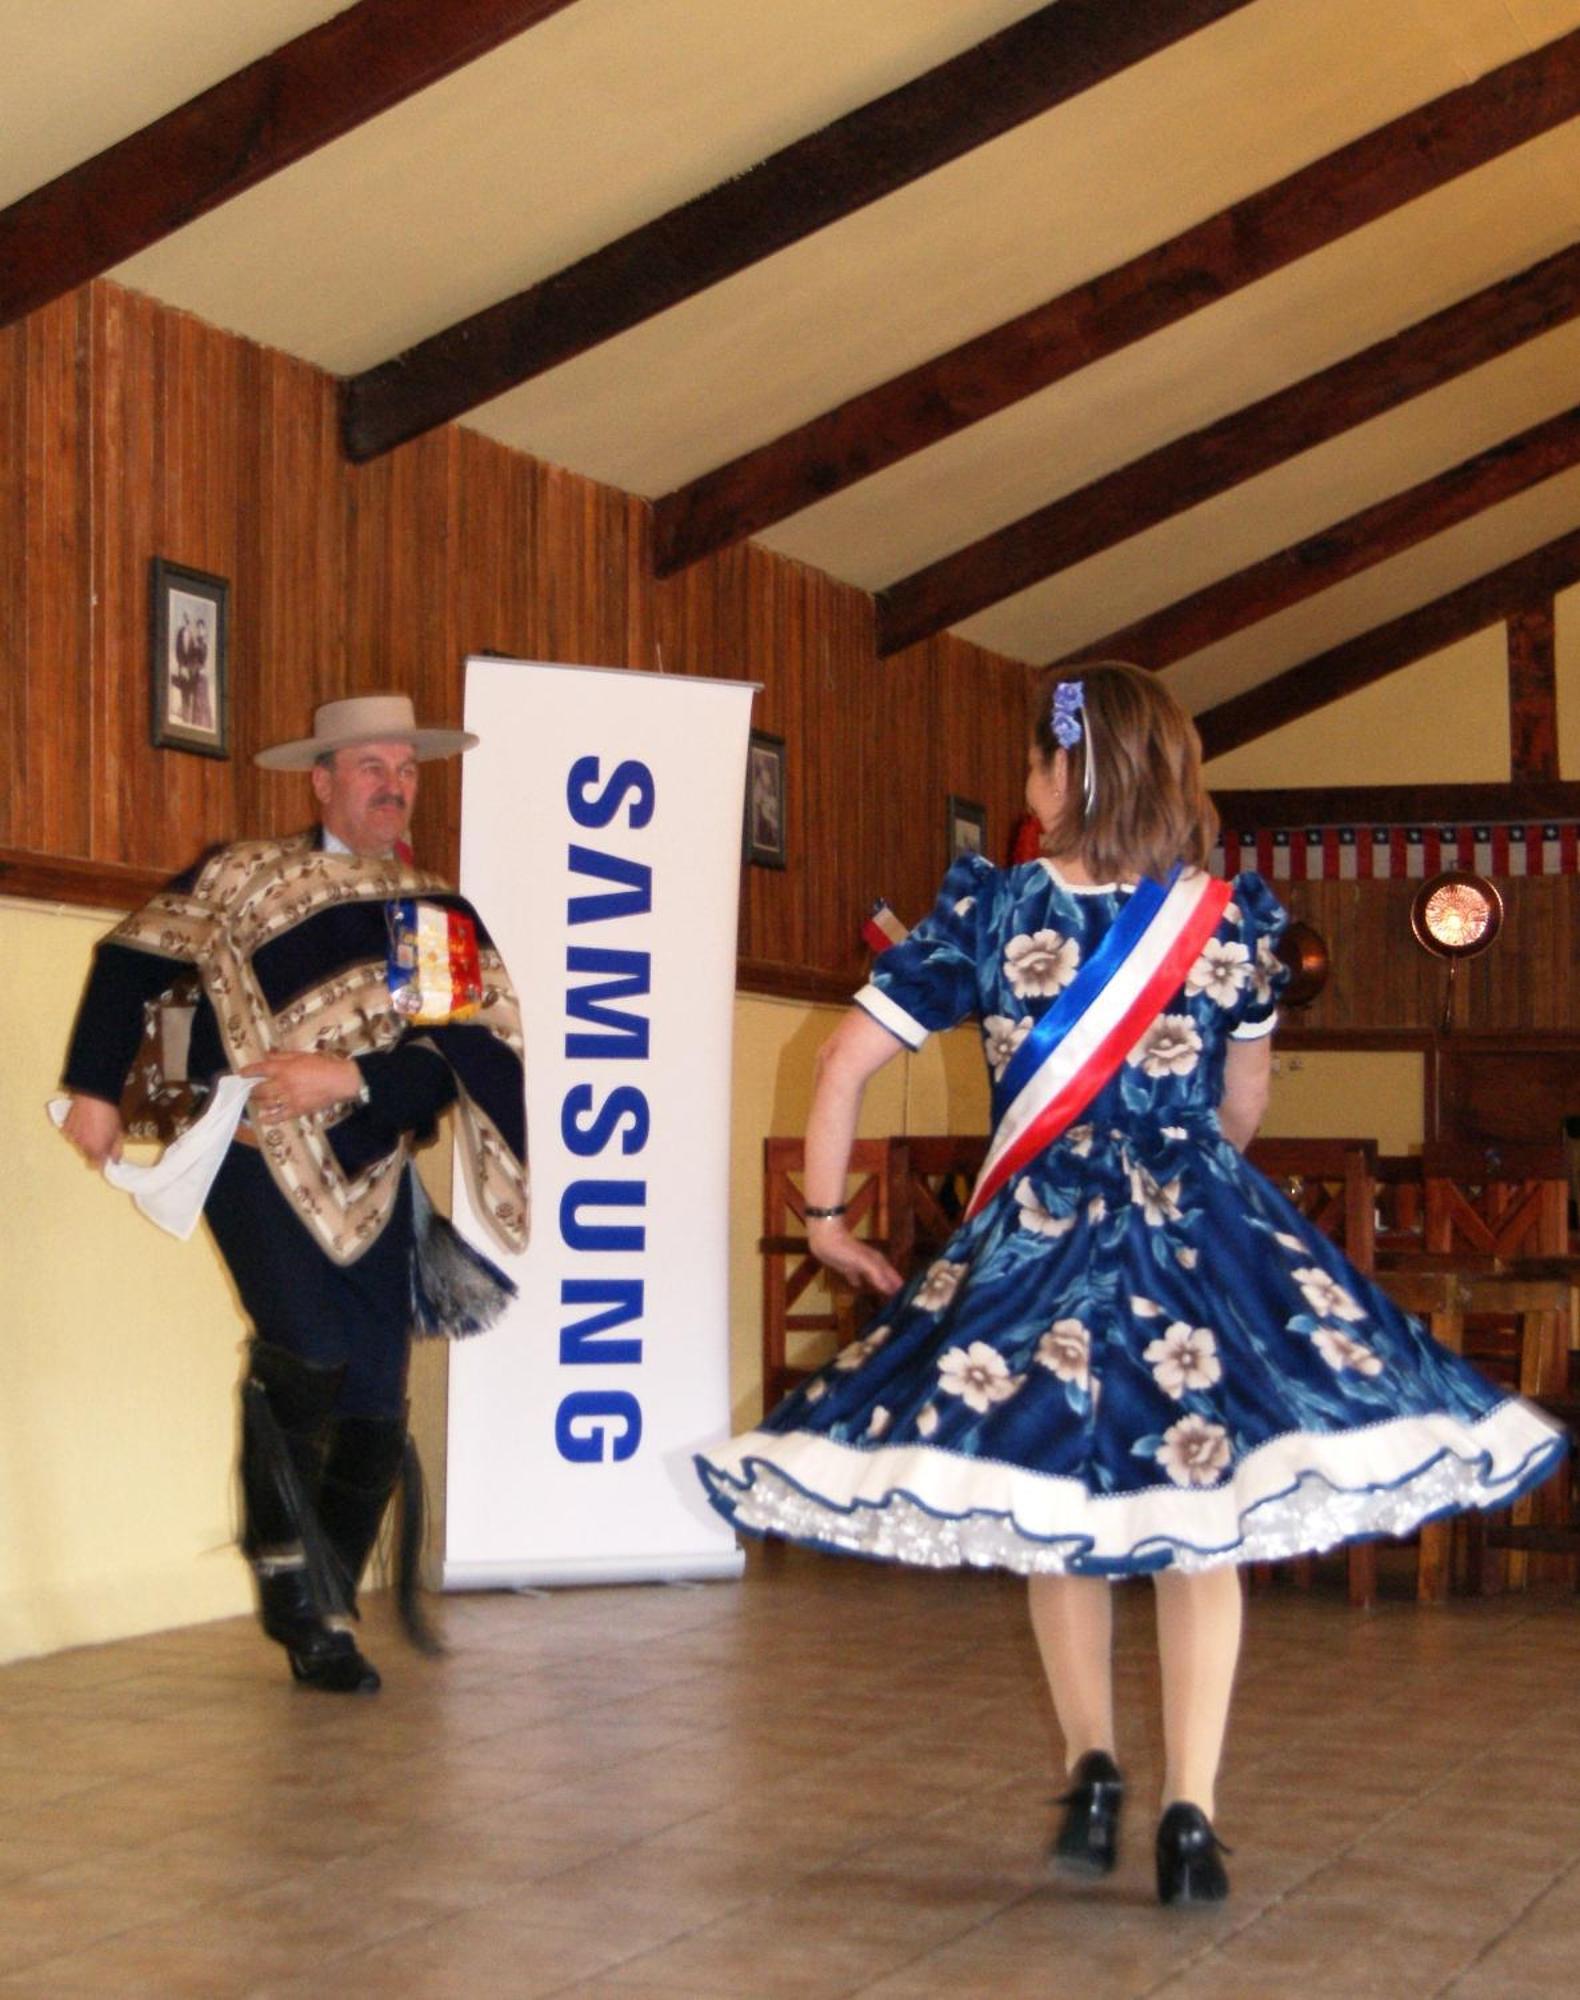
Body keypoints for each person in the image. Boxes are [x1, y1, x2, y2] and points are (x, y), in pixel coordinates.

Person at [697, 662, 1564, 1904]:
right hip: (1194, 1240)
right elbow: (1244, 1101)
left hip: (1031, 1243)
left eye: (1036, 762)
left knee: (1059, 1502)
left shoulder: (991, 912)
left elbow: (840, 1065)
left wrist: (828, 1221)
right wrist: (1199, 1193)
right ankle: (1191, 1816)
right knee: (1197, 1525)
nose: (1024, 783)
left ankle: (1092, 1764)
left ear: (1072, 771)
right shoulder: (1231, 922)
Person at [59, 693, 528, 1694]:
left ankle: (324, 1610)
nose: (393, 784)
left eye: (407, 769)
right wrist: (96, 1087)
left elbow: (458, 1055)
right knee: (306, 1350)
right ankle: (288, 1579)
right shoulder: (245, 875)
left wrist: (350, 1079)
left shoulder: (436, 913)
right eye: (372, 766)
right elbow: (134, 958)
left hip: (370, 1168)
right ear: (321, 779)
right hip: (250, 1153)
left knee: (373, 1402)